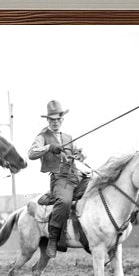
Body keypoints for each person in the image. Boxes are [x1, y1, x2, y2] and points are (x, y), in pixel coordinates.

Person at [27, 100, 91, 257]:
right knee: (65, 201)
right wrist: (49, 147)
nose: (55, 122)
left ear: (62, 119)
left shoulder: (69, 136)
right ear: (47, 120)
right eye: (52, 119)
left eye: (58, 119)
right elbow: (31, 153)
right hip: (59, 178)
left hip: (77, 175)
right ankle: (53, 239)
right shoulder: (42, 136)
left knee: (97, 189)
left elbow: (80, 155)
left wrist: (80, 155)